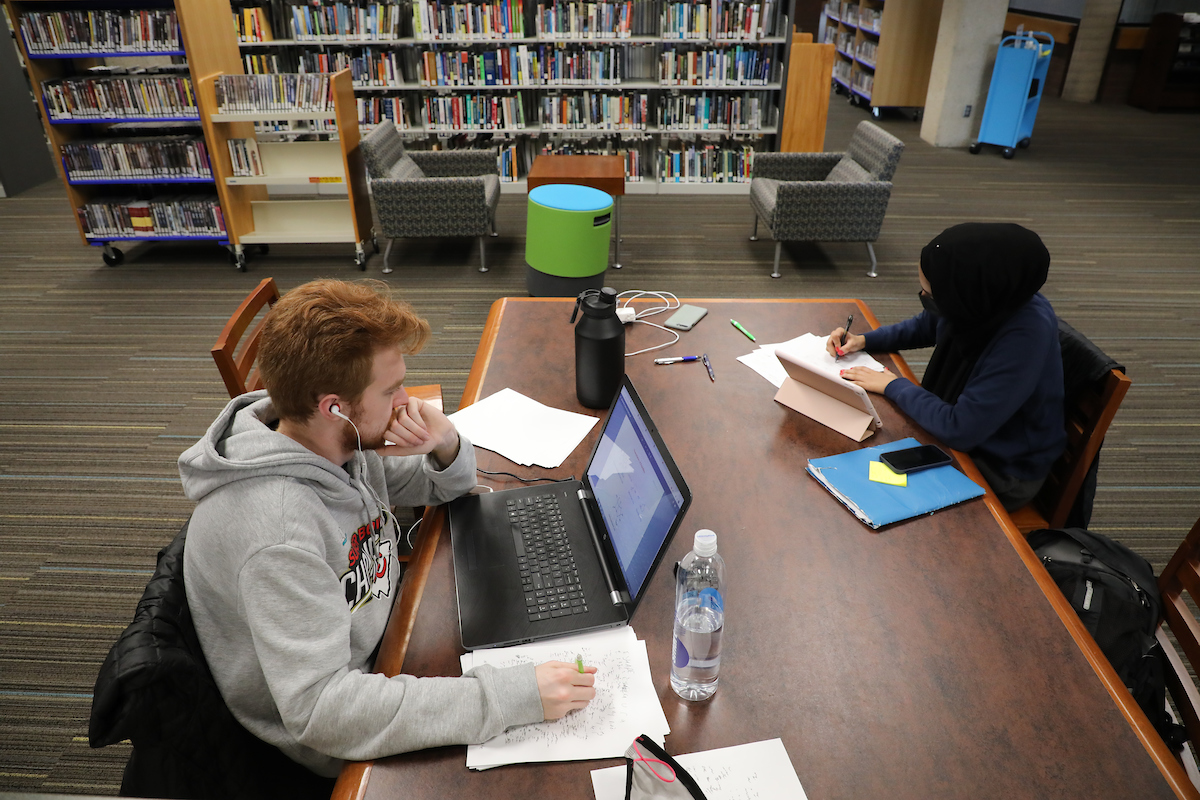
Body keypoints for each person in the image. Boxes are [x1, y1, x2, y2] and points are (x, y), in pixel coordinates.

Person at [179, 279, 596, 784]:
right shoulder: (279, 535)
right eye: (390, 389)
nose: (404, 401)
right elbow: (322, 712)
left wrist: (445, 442)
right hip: (345, 725)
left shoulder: (331, 443)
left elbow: (437, 484)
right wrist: (506, 697)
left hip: (389, 634)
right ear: (334, 407)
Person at [827, 223, 1066, 510]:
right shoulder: (986, 299)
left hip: (1000, 467)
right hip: (960, 431)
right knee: (858, 443)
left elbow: (961, 429)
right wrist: (864, 340)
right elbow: (928, 324)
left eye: (931, 295)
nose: (925, 298)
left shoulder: (1024, 338)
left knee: (864, 485)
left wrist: (893, 385)